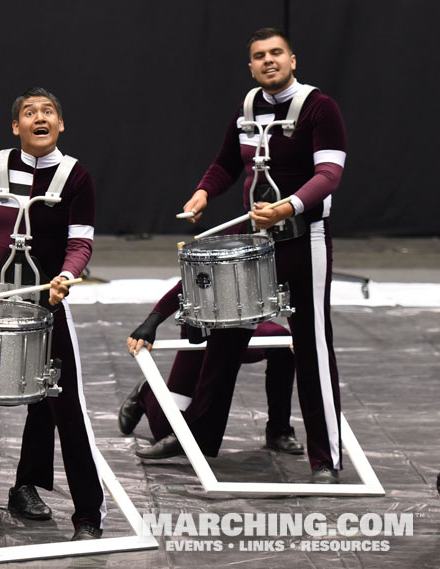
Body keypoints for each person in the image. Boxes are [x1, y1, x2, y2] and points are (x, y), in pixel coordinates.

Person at [177, 27, 346, 484]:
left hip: (303, 238)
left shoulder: (318, 107)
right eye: (258, 56)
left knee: (310, 345)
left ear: (293, 60)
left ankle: (325, 459)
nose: (268, 61)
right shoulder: (248, 107)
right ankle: (199, 439)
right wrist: (202, 194)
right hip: (257, 241)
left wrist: (287, 207)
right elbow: (227, 163)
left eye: (276, 53)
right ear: (250, 66)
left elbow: (329, 174)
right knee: (226, 334)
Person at [0, 87, 105, 541]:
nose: (40, 117)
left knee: (63, 407)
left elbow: (80, 242)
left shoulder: (76, 177)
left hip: (45, 303)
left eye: (48, 111)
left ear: (61, 124)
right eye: (29, 113)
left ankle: (87, 515)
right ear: (16, 127)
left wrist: (66, 276)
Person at [121, 280, 303, 458]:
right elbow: (188, 281)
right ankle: (145, 392)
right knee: (166, 431)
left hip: (245, 323)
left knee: (284, 345)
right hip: (202, 331)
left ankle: (279, 430)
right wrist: (152, 321)